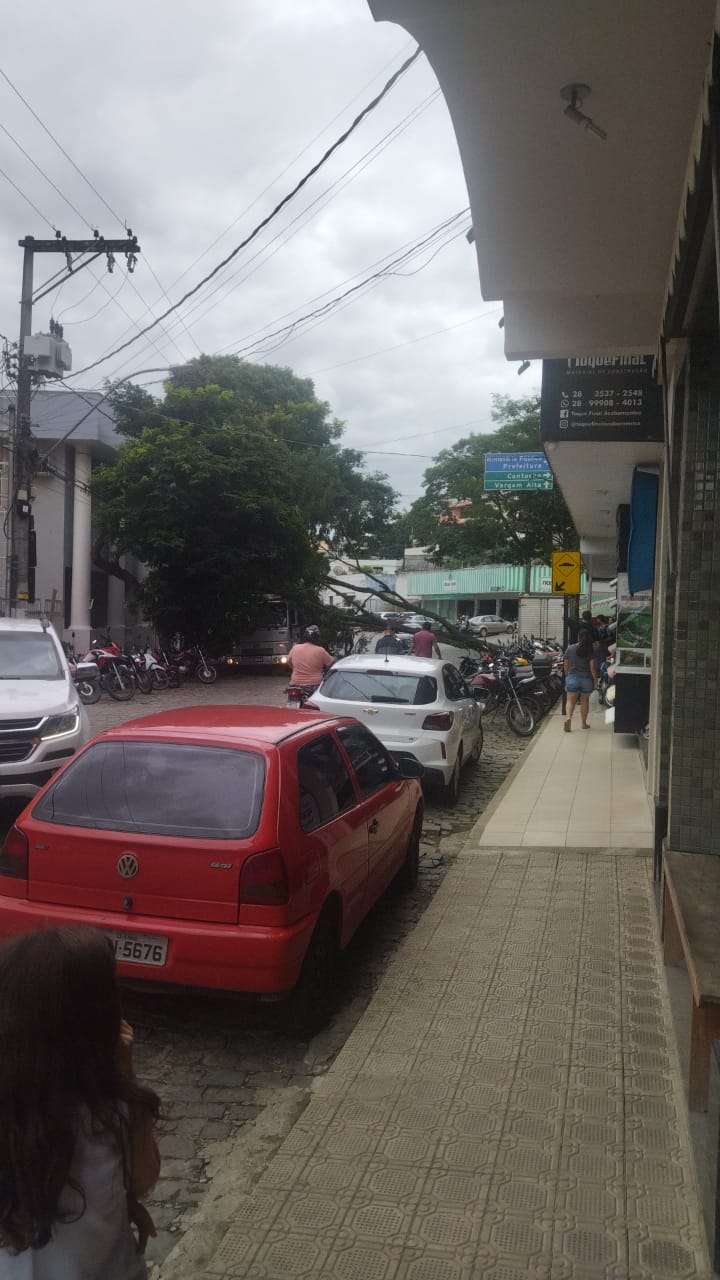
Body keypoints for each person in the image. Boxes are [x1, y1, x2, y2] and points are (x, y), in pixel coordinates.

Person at [0, 926, 161, 1278]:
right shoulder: (106, 1115)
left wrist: (124, 1204)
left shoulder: (103, 1109)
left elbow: (138, 1181)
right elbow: (144, 1177)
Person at [563, 630, 597, 731]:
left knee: (570, 701)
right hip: (586, 680)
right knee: (584, 702)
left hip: (572, 678)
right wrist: (595, 680)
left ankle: (568, 718)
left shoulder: (570, 648)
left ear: (578, 637)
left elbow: (565, 664)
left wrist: (567, 676)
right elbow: (592, 667)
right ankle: (583, 724)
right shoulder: (590, 650)